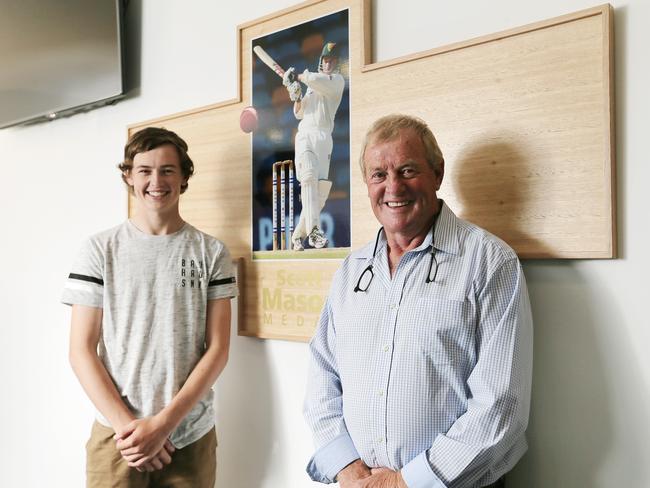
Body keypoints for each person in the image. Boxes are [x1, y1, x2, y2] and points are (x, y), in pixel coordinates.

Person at [304, 114, 533, 487]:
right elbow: (321, 380)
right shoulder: (351, 271)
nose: (393, 187)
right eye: (378, 174)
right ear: (367, 184)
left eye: (408, 170)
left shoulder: (490, 263)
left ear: (437, 173)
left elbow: (501, 404)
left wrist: (404, 482)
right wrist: (350, 470)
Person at [62, 127, 237, 487]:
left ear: (184, 177)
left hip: (189, 436)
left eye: (167, 170)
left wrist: (164, 425)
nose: (156, 180)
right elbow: (81, 350)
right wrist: (134, 433)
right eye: (144, 170)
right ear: (128, 175)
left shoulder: (212, 253)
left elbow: (217, 349)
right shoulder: (99, 250)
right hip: (117, 437)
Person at [282, 41, 345, 250]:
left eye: (332, 61)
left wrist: (297, 77)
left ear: (336, 63)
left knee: (319, 196)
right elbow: (299, 112)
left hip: (325, 139)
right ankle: (315, 232)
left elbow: (316, 79)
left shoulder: (337, 81)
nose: (328, 64)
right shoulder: (311, 87)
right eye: (325, 60)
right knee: (307, 176)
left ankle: (298, 235)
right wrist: (297, 95)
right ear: (321, 61)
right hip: (305, 135)